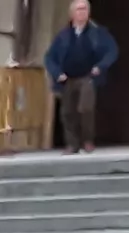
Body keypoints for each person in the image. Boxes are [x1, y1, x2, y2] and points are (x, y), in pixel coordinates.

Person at [47, 0, 118, 153]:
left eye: (85, 9)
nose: (82, 12)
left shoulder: (98, 33)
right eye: (79, 9)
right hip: (67, 78)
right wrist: (57, 73)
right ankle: (72, 144)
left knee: (85, 108)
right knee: (67, 112)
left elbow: (112, 51)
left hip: (87, 77)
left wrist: (101, 66)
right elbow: (49, 58)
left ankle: (87, 140)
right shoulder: (63, 36)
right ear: (72, 14)